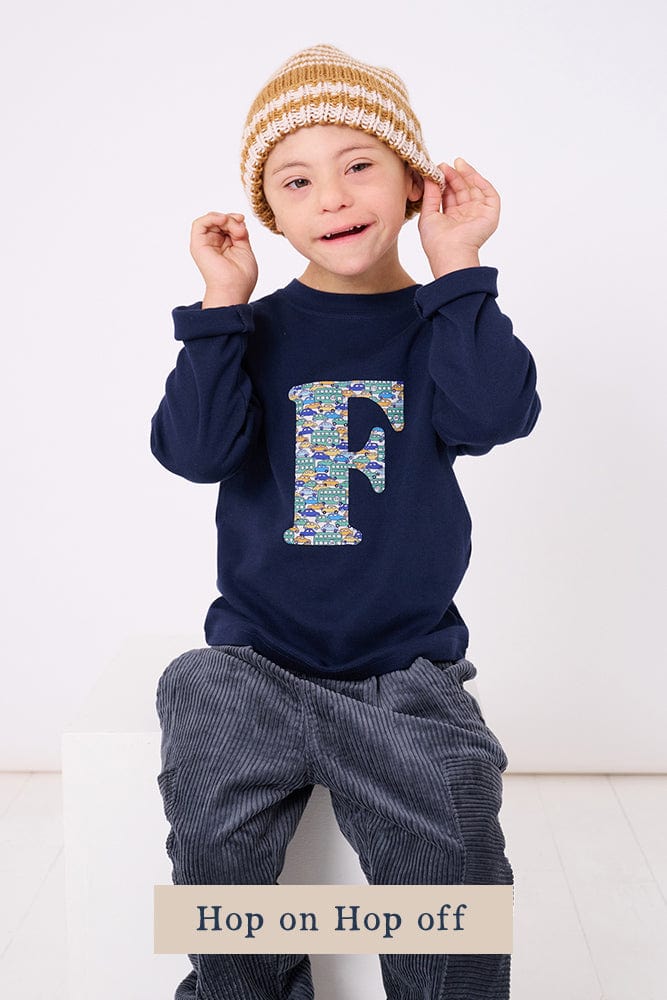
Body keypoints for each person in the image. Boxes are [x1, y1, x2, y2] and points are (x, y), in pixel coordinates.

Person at [152, 43, 541, 1000]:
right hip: (254, 661)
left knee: (456, 855)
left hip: (405, 670)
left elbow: (495, 415)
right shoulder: (249, 331)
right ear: (271, 214)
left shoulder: (443, 322)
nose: (330, 196)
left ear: (413, 181)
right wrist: (219, 305)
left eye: (358, 164)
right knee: (207, 803)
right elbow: (193, 452)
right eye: (296, 181)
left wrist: (459, 270)